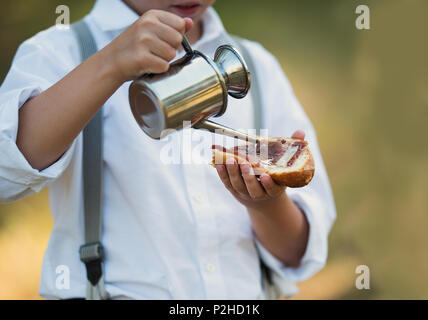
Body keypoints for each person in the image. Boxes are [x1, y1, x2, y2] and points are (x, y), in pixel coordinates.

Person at [0, 0, 336, 299]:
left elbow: (297, 254)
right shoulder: (62, 52)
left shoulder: (258, 67)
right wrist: (109, 65)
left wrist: (266, 206)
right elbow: (6, 173)